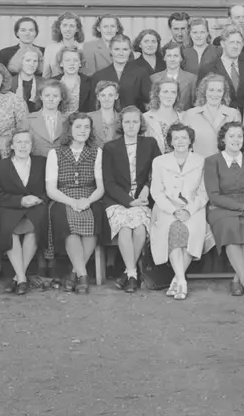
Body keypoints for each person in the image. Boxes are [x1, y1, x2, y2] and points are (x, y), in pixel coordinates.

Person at [203, 121, 244, 298]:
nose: (236, 139)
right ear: (223, 139)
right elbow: (214, 195)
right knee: (230, 231)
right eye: (231, 135)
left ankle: (236, 280)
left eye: (240, 136)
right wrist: (243, 206)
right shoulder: (212, 161)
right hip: (221, 207)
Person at [45, 112, 106, 294]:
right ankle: (83, 275)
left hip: (89, 197)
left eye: (87, 127)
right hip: (63, 198)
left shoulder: (97, 152)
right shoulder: (55, 153)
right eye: (78, 126)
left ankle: (74, 274)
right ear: (70, 129)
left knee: (93, 221)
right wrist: (72, 201)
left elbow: (100, 187)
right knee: (69, 224)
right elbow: (51, 190)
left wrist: (88, 200)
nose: (83, 131)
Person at [100, 106, 160, 293]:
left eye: (135, 121)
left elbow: (158, 172)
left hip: (143, 198)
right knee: (125, 229)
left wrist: (146, 191)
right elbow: (108, 182)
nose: (131, 125)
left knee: (140, 229)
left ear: (140, 124)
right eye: (127, 122)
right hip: (118, 200)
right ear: (121, 124)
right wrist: (128, 201)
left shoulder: (150, 143)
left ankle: (128, 273)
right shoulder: (110, 147)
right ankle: (133, 273)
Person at [150, 122, 210, 300]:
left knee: (191, 233)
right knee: (174, 230)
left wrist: (189, 210)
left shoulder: (201, 161)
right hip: (168, 208)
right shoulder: (159, 162)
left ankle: (177, 279)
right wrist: (172, 210)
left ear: (190, 140)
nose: (180, 141)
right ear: (170, 141)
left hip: (194, 208)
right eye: (176, 138)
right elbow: (156, 191)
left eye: (184, 137)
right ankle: (182, 281)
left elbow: (203, 192)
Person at [0, 128, 49, 295]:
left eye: (27, 142)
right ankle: (22, 278)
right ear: (12, 146)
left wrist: (37, 199)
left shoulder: (42, 163)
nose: (23, 146)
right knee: (9, 229)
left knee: (34, 227)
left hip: (36, 206)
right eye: (19, 142)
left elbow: (50, 187)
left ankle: (18, 278)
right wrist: (20, 201)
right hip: (9, 207)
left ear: (32, 145)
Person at [182, 74, 242, 158]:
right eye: (211, 90)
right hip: (199, 164)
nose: (215, 94)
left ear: (224, 93)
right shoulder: (190, 114)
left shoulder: (233, 114)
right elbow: (184, 144)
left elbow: (238, 144)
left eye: (219, 91)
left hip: (225, 166)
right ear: (204, 91)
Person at [199, 26, 244, 111]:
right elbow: (200, 97)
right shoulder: (208, 68)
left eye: (238, 43)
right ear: (222, 43)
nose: (235, 46)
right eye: (231, 42)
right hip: (217, 117)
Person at [150, 42, 197, 111]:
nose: (172, 59)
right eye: (169, 55)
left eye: (176, 56)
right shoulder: (154, 78)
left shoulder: (192, 78)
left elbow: (194, 104)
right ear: (164, 58)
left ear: (181, 58)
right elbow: (152, 103)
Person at [26, 80, 65, 163]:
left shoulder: (68, 120)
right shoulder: (28, 119)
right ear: (41, 96)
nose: (51, 99)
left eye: (55, 96)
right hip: (36, 165)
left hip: (62, 167)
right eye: (47, 95)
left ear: (61, 97)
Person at [42, 12, 85, 79]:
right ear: (59, 27)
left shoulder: (84, 48)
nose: (68, 29)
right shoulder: (50, 49)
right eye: (65, 25)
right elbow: (46, 76)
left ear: (77, 29)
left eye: (72, 26)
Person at [11, 46, 44, 114]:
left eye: (35, 61)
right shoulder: (10, 83)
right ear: (20, 61)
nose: (32, 64)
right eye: (28, 60)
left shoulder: (44, 83)